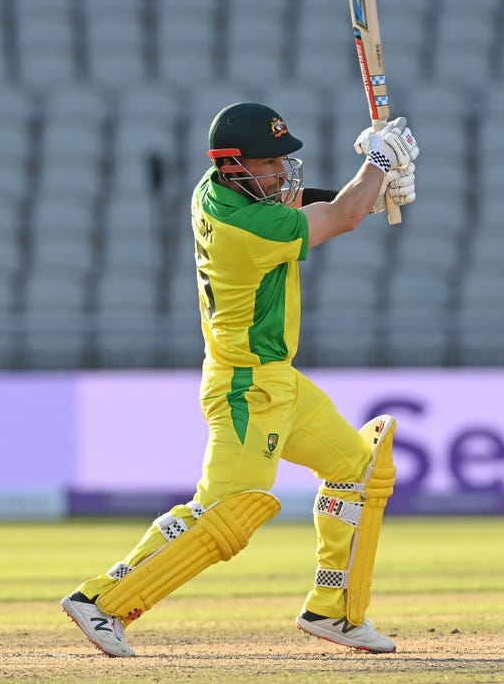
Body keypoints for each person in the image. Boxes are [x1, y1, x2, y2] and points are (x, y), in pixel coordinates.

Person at [61, 101, 419, 657]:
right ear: (233, 165)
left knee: (358, 469)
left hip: (277, 380)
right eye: (270, 162)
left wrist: (369, 193)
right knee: (224, 513)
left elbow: (308, 206)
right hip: (246, 389)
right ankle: (102, 600)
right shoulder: (243, 226)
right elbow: (337, 217)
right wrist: (374, 165)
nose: (281, 171)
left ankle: (334, 611)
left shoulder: (216, 189)